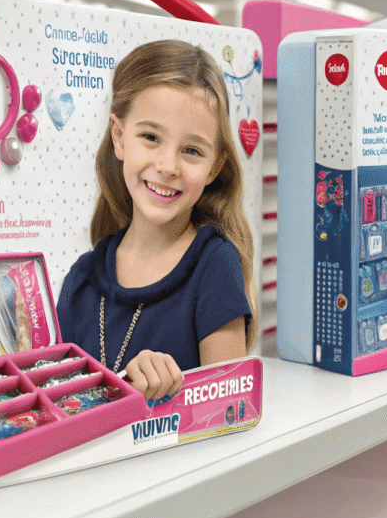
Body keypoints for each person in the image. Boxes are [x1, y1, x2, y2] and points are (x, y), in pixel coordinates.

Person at [55, 40, 256, 403]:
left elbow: (229, 409)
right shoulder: (80, 282)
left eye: (191, 150)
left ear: (214, 166)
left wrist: (167, 394)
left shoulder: (215, 266)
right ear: (119, 137)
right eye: (150, 137)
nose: (168, 166)